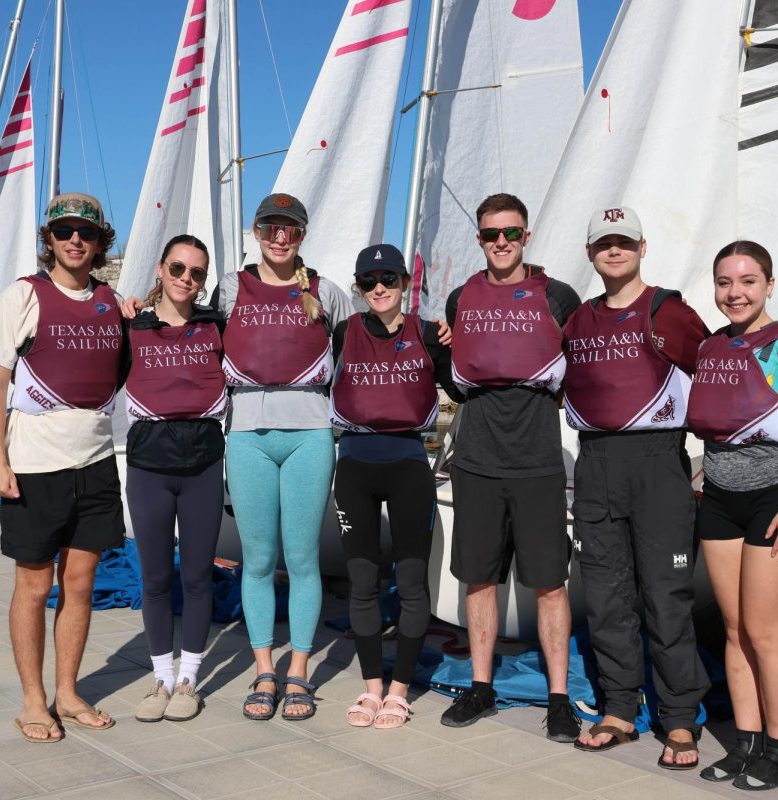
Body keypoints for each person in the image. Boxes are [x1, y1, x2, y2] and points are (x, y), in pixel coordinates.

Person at [687, 240, 778, 791]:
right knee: (733, 630)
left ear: (769, 285)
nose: (736, 292)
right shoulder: (710, 347)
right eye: (726, 282)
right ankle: (745, 745)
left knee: (767, 632)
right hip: (721, 502)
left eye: (748, 281)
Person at [562, 207, 710, 767]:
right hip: (596, 460)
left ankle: (678, 720)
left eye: (624, 242)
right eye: (604, 244)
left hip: (657, 461)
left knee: (665, 596)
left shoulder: (667, 310)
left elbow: (719, 370)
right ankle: (620, 709)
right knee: (606, 596)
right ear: (591, 253)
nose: (614, 251)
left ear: (642, 248)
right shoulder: (577, 321)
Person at [0, 192, 124, 743]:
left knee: (81, 586)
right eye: (64, 232)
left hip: (97, 460)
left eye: (85, 233)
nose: (74, 241)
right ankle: (33, 701)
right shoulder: (24, 295)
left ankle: (68, 690)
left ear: (100, 242)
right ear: (50, 240)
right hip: (35, 465)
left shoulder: (111, 301)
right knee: (35, 588)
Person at [442, 192, 582, 742]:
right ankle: (481, 688)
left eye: (512, 232)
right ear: (479, 239)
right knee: (481, 578)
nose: (502, 241)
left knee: (549, 583)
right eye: (491, 233)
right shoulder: (460, 297)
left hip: (539, 459)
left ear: (527, 235)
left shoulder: (558, 295)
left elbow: (583, 365)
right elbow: (451, 373)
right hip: (475, 457)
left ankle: (559, 697)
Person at [219, 193, 351, 721]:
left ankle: (298, 672)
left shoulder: (328, 292)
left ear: (302, 234)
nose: (280, 236)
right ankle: (263, 670)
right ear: (256, 232)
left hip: (310, 435)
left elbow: (366, 345)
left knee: (301, 560)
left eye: (290, 228)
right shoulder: (230, 288)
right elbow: (186, 330)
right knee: (258, 561)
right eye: (271, 227)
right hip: (246, 434)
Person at [330, 244, 456, 729]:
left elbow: (462, 388)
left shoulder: (427, 333)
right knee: (362, 582)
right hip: (356, 464)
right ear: (359, 288)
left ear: (404, 282)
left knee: (409, 582)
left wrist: (456, 338)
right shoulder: (344, 332)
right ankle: (371, 687)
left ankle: (400, 689)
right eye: (368, 281)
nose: (378, 288)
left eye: (388, 278)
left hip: (408, 464)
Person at [124, 235, 226, 723]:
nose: (188, 279)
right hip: (149, 468)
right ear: (162, 269)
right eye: (179, 268)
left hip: (204, 466)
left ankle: (189, 680)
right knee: (157, 578)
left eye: (197, 273)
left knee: (198, 576)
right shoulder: (132, 326)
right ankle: (161, 678)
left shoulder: (217, 326)